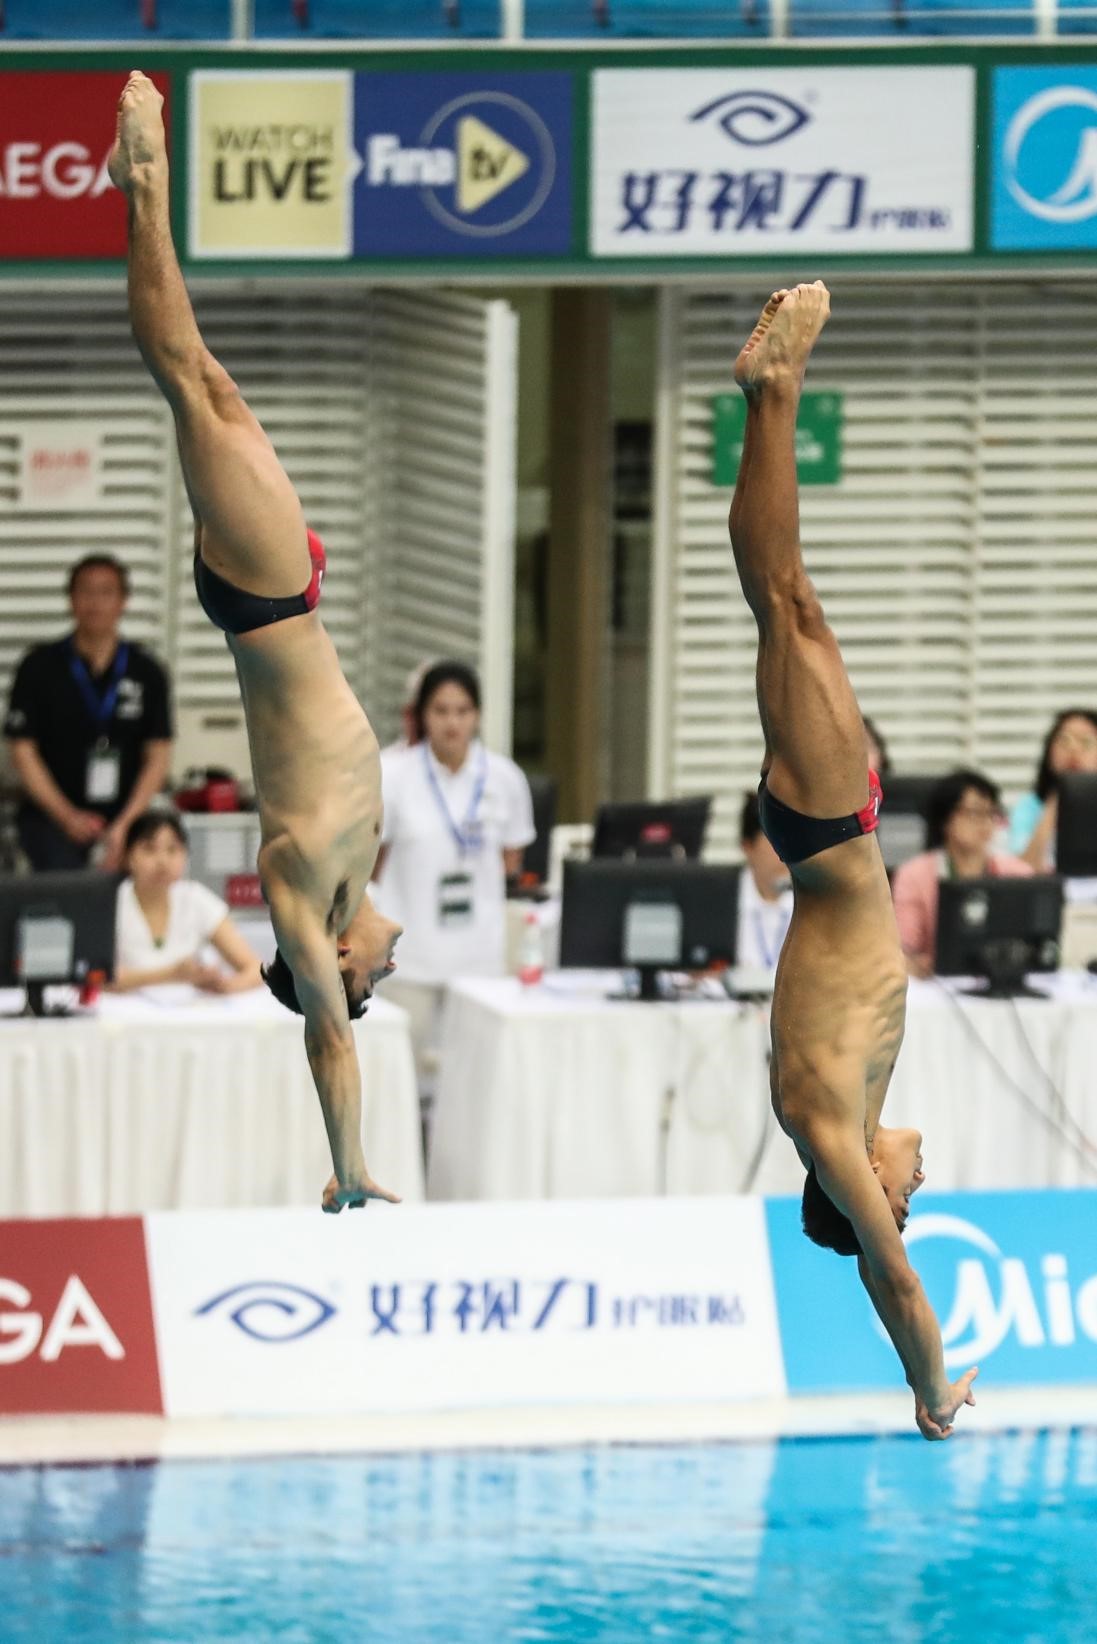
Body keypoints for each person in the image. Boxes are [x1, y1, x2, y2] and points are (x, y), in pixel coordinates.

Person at [108, 71, 401, 1213]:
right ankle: (144, 191)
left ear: (331, 970)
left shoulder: (297, 888)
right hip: (286, 595)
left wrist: (346, 1164)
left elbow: (327, 1043)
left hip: (269, 596)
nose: (384, 963)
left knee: (186, 380)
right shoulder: (348, 875)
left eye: (367, 982)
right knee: (204, 382)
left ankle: (144, 185)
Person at [728, 282, 977, 1440]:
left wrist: (927, 1388)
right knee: (796, 607)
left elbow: (891, 1281)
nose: (912, 1193)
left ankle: (770, 391)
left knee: (778, 605)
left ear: (861, 1195)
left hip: (826, 831)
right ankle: (770, 396)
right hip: (841, 828)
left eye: (900, 1204)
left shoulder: (827, 1131)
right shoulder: (838, 1110)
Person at [373, 660, 535, 1088]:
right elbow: (374, 859)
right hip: (409, 956)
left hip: (477, 957)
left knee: (474, 1083)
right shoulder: (393, 775)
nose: (452, 722)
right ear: (422, 715)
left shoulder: (504, 778)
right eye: (441, 711)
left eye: (462, 711)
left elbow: (512, 860)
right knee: (400, 1081)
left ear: (477, 715)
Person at [4, 554, 172, 872]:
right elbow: (22, 752)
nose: (95, 602)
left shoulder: (147, 671)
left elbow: (158, 756)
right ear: (71, 599)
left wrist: (124, 824)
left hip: (127, 813)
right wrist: (67, 816)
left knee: (149, 861)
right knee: (63, 885)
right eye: (85, 591)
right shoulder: (39, 666)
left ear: (123, 601)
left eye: (106, 592)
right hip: (51, 815)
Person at [891, 769, 1032, 978]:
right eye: (974, 812)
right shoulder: (914, 874)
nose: (985, 822)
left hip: (1001, 981)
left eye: (991, 813)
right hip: (938, 985)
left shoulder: (1018, 874)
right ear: (945, 819)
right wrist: (915, 963)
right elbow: (904, 948)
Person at [112, 810, 262, 993]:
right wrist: (172, 975)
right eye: (149, 849)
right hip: (123, 1015)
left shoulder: (195, 898)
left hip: (188, 1015)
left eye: (172, 850)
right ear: (128, 856)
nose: (162, 861)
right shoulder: (111, 901)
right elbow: (98, 978)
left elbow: (255, 968)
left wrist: (224, 986)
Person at [1008, 709, 1097, 871]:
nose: (1074, 750)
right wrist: (1057, 801)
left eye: (1087, 742)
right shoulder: (1029, 807)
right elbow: (1023, 871)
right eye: (1064, 740)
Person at [736, 791, 792, 970]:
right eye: (775, 841)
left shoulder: (810, 903)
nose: (786, 850)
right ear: (747, 846)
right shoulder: (725, 902)